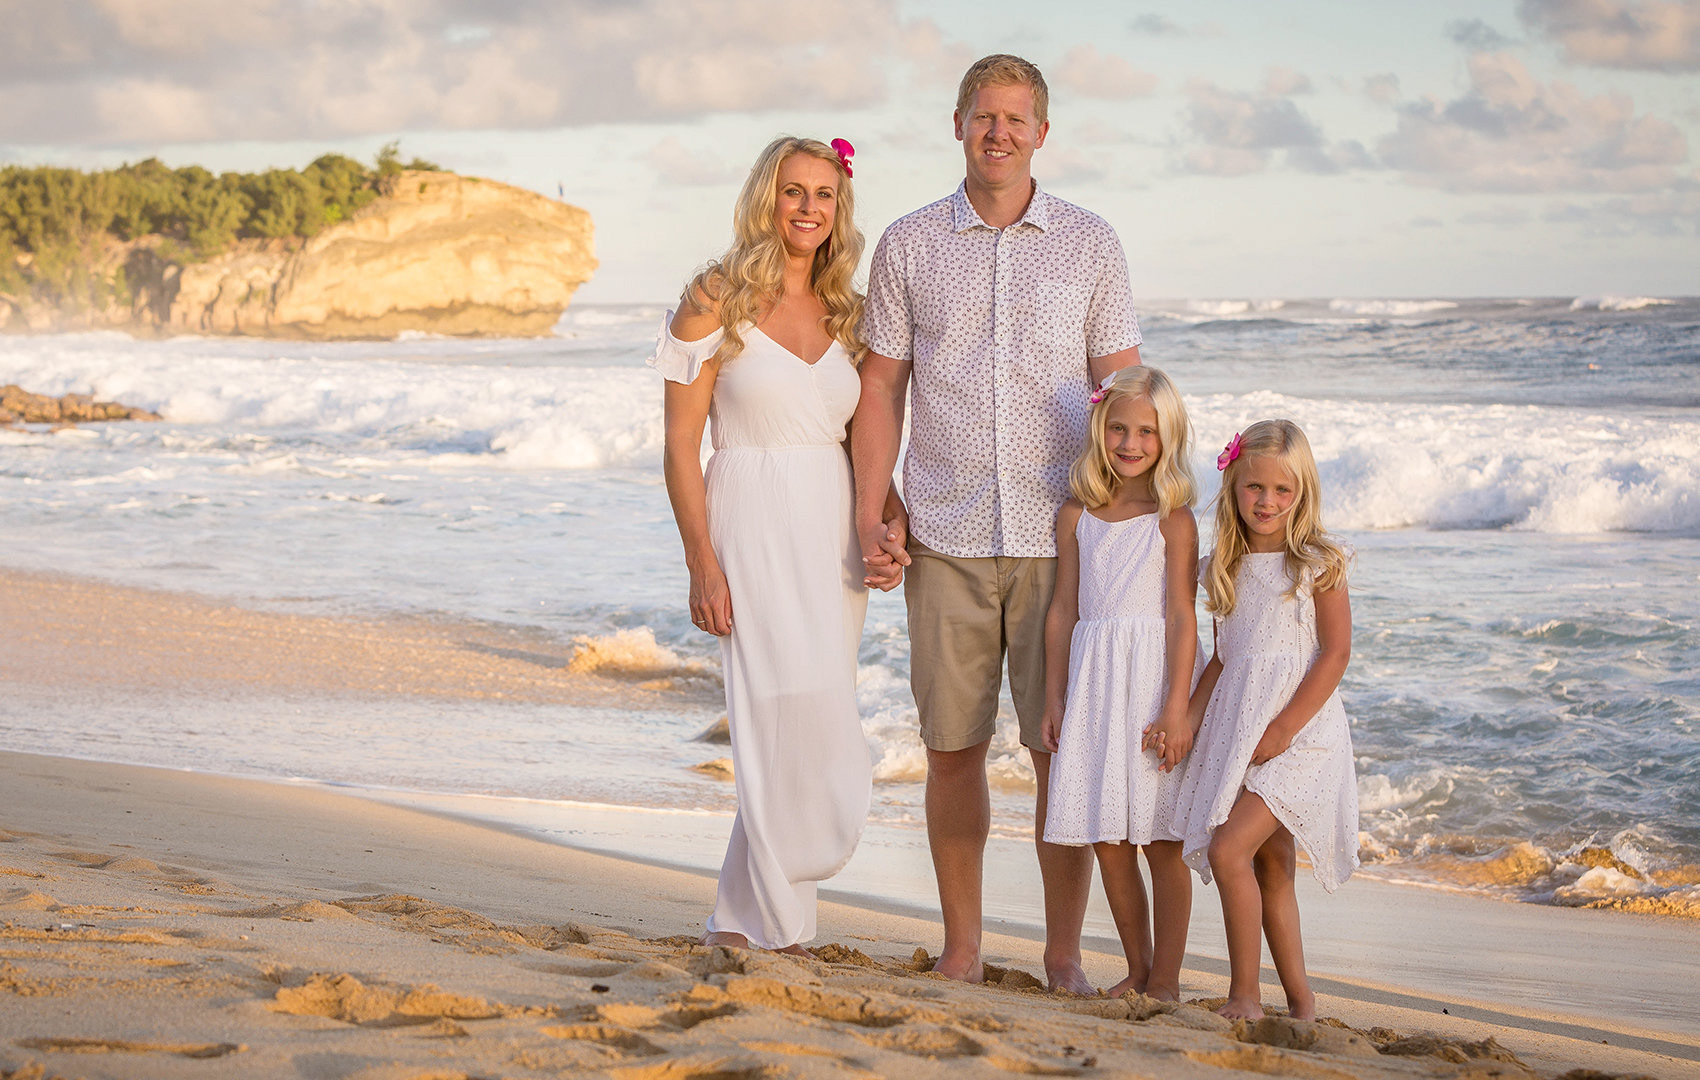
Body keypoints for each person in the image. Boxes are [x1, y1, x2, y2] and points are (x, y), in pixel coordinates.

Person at [853, 54, 1144, 991]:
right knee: (953, 750)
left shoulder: (1093, 244)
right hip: (943, 533)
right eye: (985, 117)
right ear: (958, 124)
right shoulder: (906, 244)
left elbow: (1125, 395)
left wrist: (1136, 533)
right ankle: (964, 948)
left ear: (1042, 133)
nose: (1000, 133)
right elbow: (880, 387)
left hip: (1062, 539)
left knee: (1060, 751)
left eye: (1017, 120)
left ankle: (1063, 953)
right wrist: (873, 508)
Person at [650, 135, 900, 953]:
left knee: (815, 713)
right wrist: (702, 562)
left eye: (823, 195)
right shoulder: (711, 298)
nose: (807, 208)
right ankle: (783, 929)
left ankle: (737, 919)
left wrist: (887, 523)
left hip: (830, 531)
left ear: (839, 208)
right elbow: (680, 445)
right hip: (749, 515)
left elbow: (865, 446)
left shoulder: (851, 315)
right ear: (768, 197)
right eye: (793, 191)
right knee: (768, 713)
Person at [1172, 419, 1359, 1020]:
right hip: (1242, 730)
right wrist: (1189, 716)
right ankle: (1304, 1007)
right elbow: (1227, 656)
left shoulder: (1318, 564)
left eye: (1283, 491)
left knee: (1229, 852)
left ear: (1303, 492)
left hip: (1302, 736)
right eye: (1255, 488)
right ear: (1233, 487)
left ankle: (1245, 997)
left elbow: (1335, 654)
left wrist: (1282, 731)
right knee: (1270, 864)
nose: (1267, 502)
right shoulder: (1222, 565)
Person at [1039, 365, 1199, 1000]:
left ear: (1168, 440)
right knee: (1107, 838)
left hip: (1152, 686)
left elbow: (1183, 618)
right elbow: (1063, 612)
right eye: (1119, 430)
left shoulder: (1173, 518)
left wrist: (1179, 708)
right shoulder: (1076, 513)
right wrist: (1055, 696)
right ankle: (1136, 967)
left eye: (1147, 433)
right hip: (1094, 690)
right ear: (1099, 430)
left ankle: (1166, 981)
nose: (1131, 444)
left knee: (1160, 839)